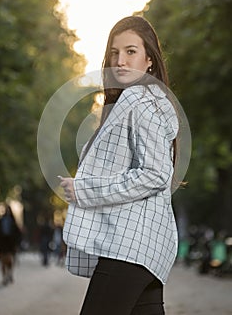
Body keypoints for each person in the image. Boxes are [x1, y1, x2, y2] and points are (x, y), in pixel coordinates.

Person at [59, 16, 180, 315]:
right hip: (148, 247)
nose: (120, 61)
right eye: (114, 53)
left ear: (149, 59)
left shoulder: (139, 100)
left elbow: (155, 175)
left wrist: (85, 189)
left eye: (130, 51)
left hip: (130, 247)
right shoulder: (141, 100)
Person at [0, 204, 22, 286]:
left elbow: (18, 234)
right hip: (2, 244)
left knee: (10, 261)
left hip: (11, 244)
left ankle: (9, 274)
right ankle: (5, 277)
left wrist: (17, 243)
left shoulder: (13, 222)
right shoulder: (0, 221)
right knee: (3, 261)